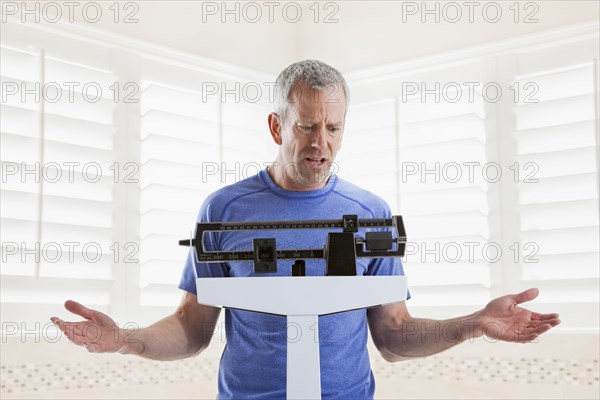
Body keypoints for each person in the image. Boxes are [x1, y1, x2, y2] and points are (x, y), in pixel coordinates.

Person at [51, 60, 561, 399]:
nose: (322, 142)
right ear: (277, 126)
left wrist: (473, 323)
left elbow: (394, 335)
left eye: (333, 128)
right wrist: (126, 340)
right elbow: (192, 328)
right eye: (307, 126)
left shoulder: (372, 212)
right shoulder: (225, 208)